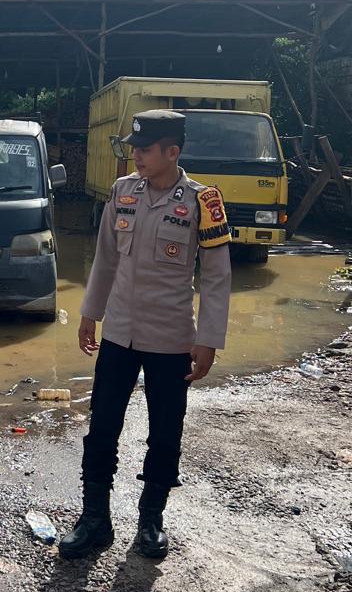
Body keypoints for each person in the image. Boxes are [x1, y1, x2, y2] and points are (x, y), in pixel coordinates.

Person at [59, 109, 232, 562]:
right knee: (102, 427)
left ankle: (151, 519)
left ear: (172, 152)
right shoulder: (122, 192)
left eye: (145, 148)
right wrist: (89, 314)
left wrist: (208, 339)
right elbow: (104, 260)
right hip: (119, 332)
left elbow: (216, 277)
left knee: (165, 432)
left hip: (172, 338)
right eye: (133, 147)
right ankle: (94, 518)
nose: (135, 155)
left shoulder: (203, 201)